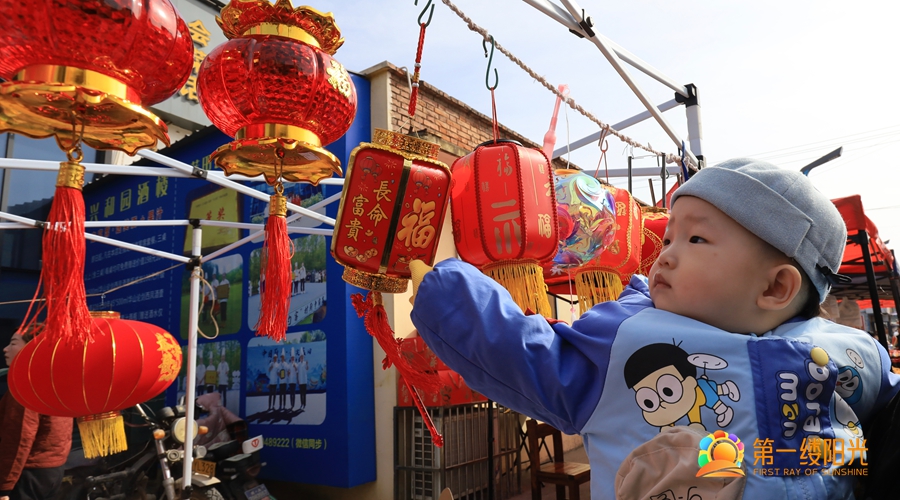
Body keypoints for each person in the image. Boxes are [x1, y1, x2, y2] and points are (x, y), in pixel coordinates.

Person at [409, 158, 900, 499]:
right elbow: (525, 353)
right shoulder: (626, 341)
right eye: (668, 238)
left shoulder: (855, 354)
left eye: (696, 238)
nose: (665, 254)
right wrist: (447, 293)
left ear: (775, 287)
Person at [0, 327, 73, 500]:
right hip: (53, 471)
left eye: (13, 343)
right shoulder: (54, 379)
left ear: (32, 348)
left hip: (27, 473)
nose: (5, 349)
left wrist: (4, 487)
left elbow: (19, 439)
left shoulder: (26, 385)